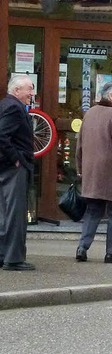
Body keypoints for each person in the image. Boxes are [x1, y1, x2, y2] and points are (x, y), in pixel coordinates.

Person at [75, 81, 112, 264]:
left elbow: (80, 145)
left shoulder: (90, 113)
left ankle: (82, 247)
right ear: (110, 96)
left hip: (92, 172)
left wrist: (80, 169)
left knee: (93, 211)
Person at [0, 75, 36, 271]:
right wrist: (16, 158)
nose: (32, 93)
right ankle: (13, 259)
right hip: (13, 168)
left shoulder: (4, 104)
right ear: (16, 91)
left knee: (4, 213)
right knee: (15, 214)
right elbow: (2, 135)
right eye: (29, 89)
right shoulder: (14, 107)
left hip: (5, 166)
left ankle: (3, 255)